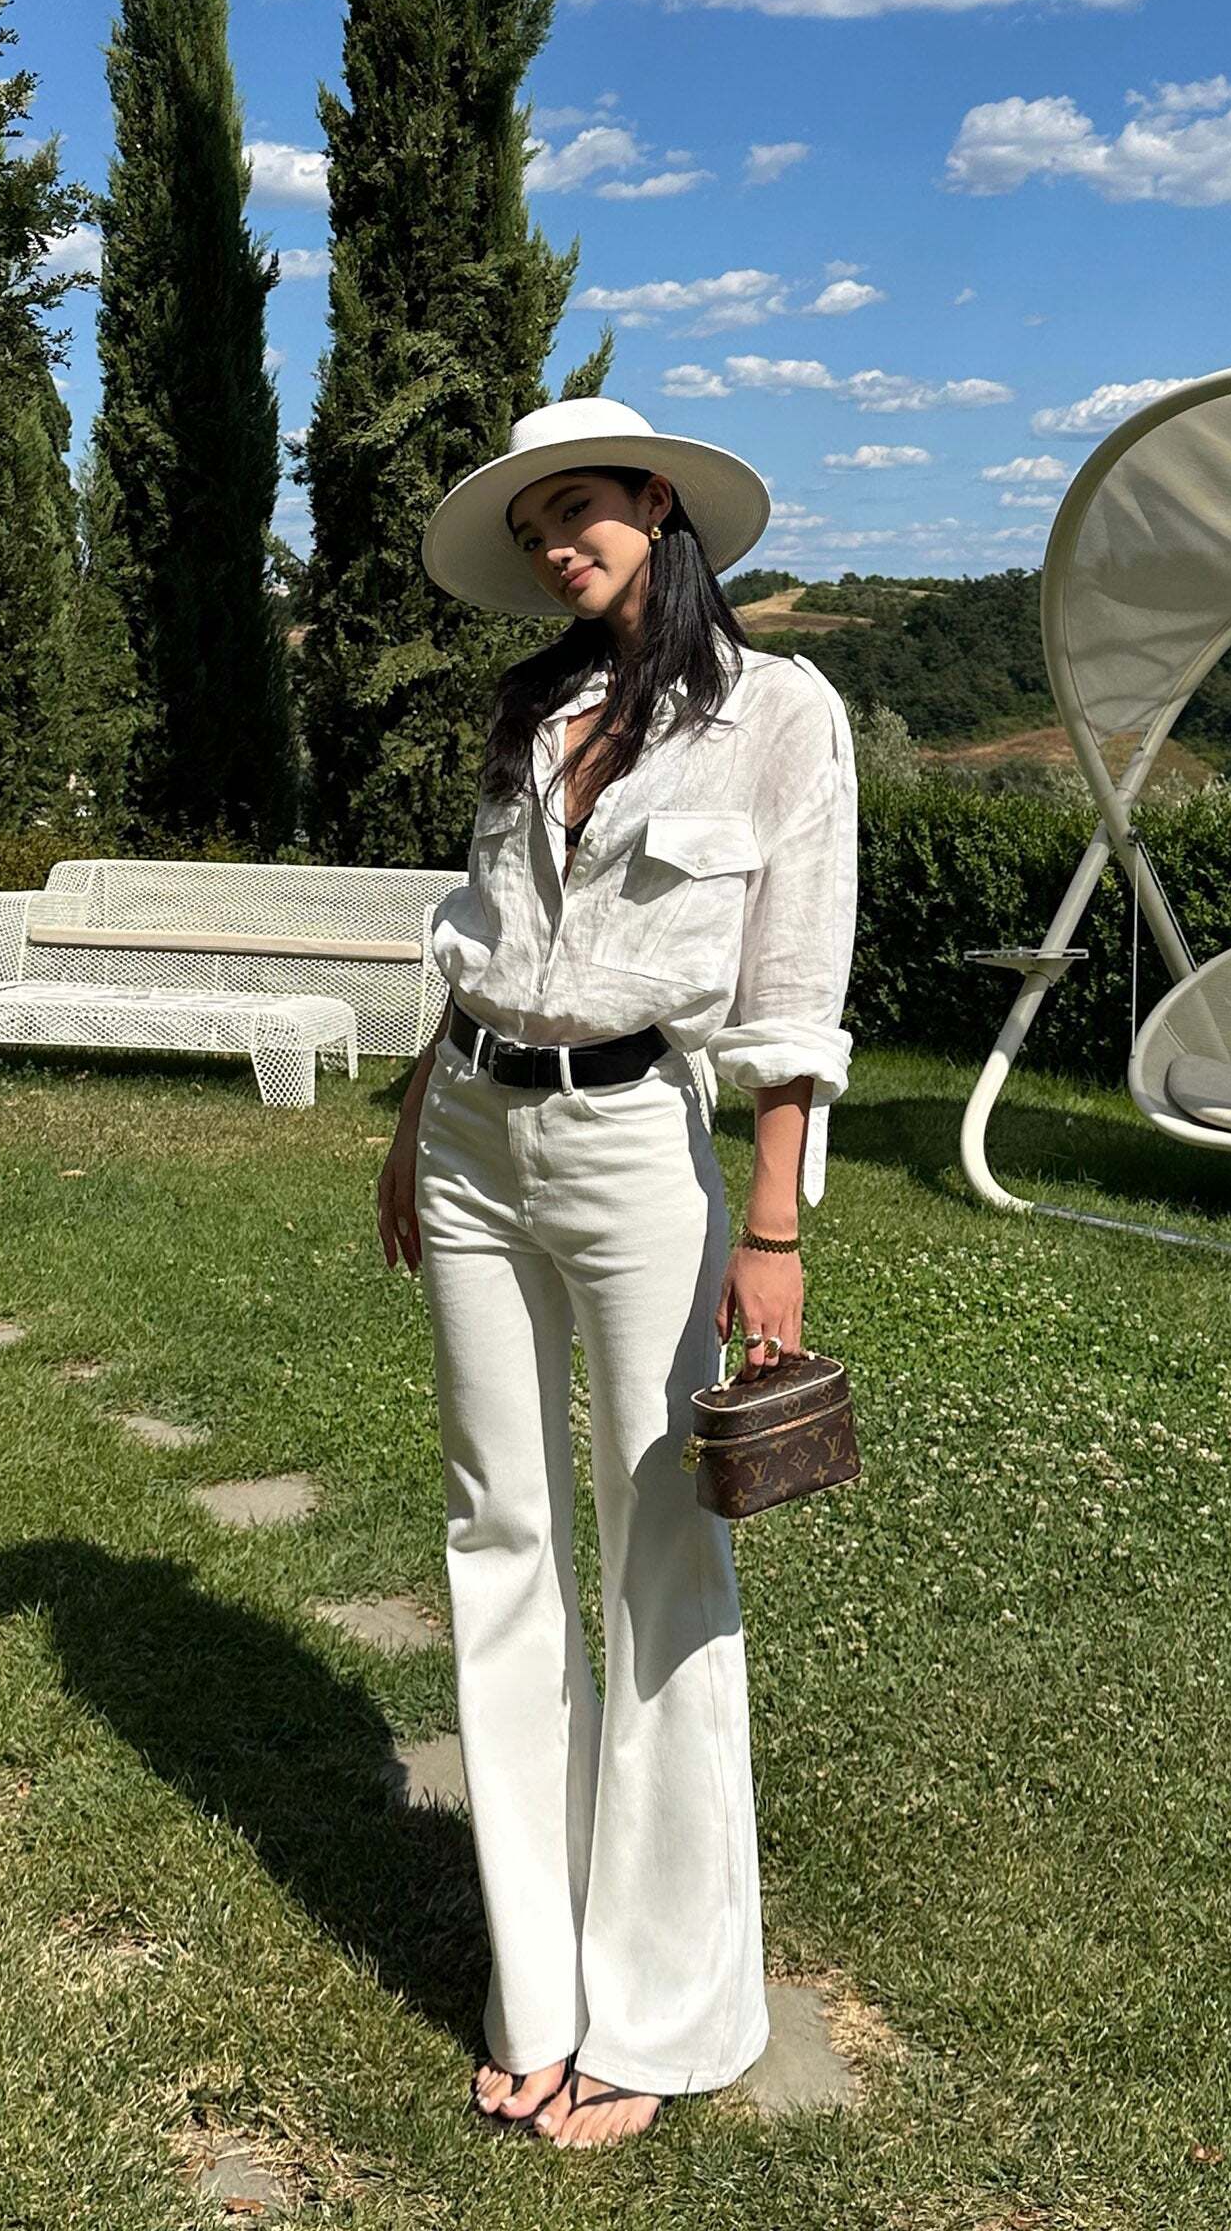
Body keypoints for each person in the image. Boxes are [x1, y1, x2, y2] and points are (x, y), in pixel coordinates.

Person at [375, 396, 859, 2150]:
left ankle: (658, 2012)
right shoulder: (539, 709)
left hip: (639, 1145)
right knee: (495, 1532)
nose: (555, 547)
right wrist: (410, 1128)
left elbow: (794, 991)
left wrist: (774, 1229)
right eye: (531, 533)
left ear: (656, 499)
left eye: (574, 509)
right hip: (471, 1132)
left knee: (661, 1552)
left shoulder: (780, 715)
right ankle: (539, 1988)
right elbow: (483, 940)